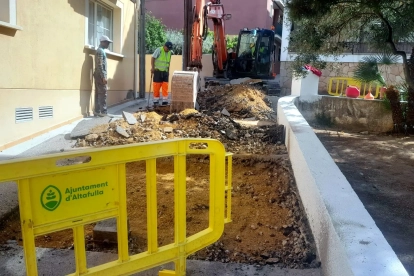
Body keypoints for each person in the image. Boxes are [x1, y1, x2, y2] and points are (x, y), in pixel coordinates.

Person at [93, 35, 112, 117]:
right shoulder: (100, 51)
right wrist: (103, 76)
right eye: (107, 43)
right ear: (102, 42)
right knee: (103, 93)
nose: (108, 44)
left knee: (98, 93)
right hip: (100, 75)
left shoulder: (100, 50)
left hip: (97, 75)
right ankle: (103, 112)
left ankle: (97, 111)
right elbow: (100, 65)